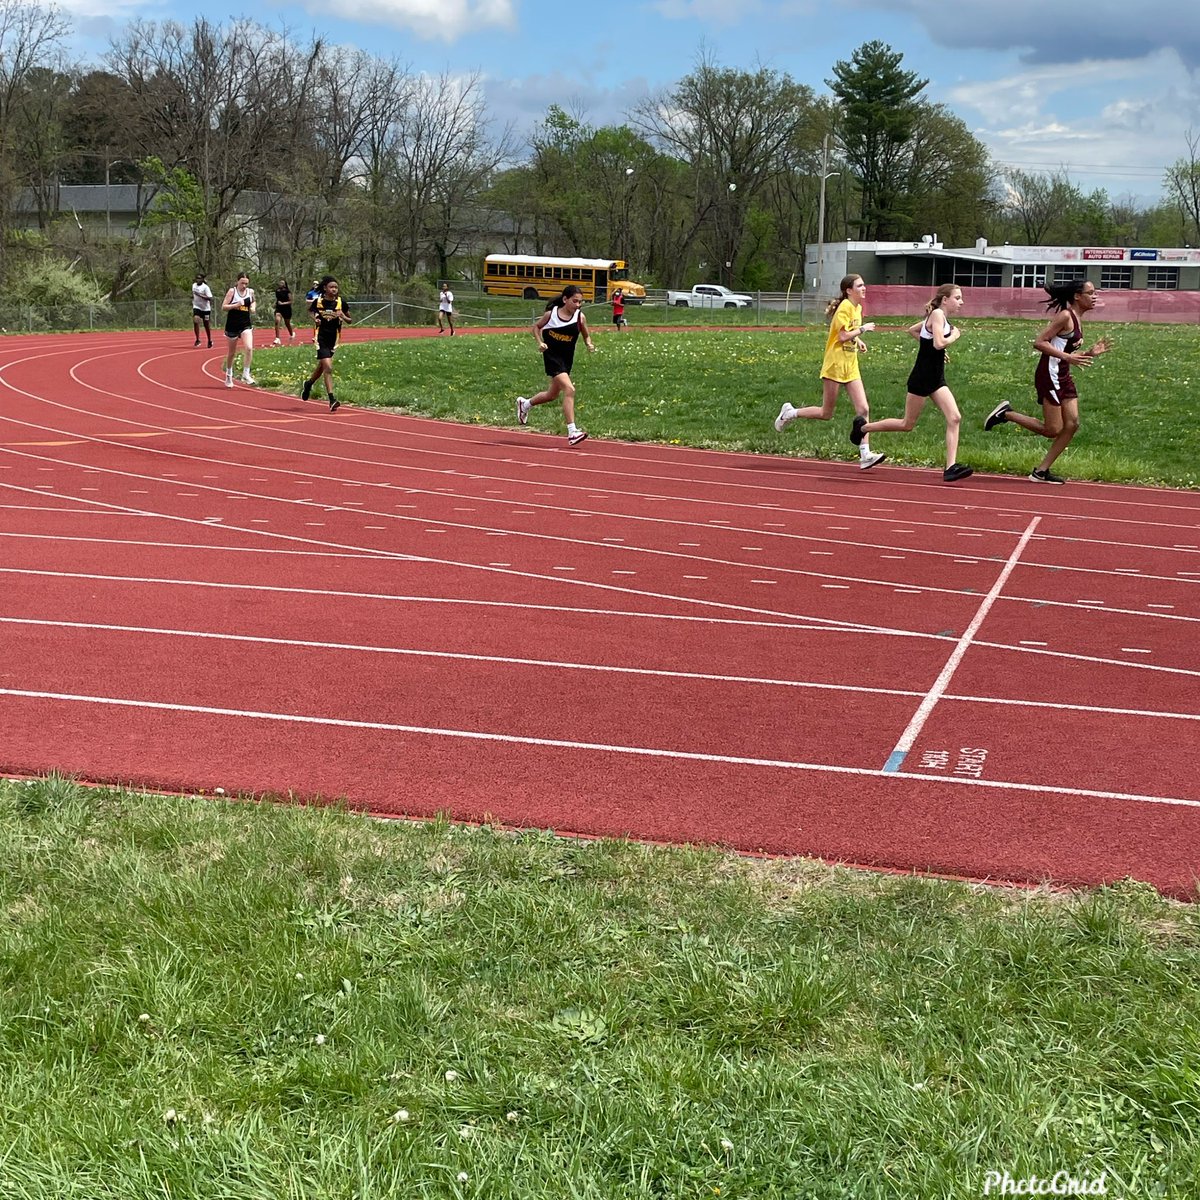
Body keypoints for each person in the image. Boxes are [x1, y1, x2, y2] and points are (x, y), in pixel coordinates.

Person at [983, 279, 1112, 484]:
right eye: (1091, 293)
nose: (1095, 297)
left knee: (1072, 424)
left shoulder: (1078, 317)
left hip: (1063, 374)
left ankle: (1041, 472)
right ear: (1077, 296)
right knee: (1052, 430)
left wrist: (1089, 354)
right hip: (1049, 374)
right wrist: (1068, 358)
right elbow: (1039, 342)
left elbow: (1064, 350)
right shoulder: (1065, 316)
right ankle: (1006, 414)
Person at [849, 284, 973, 483]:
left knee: (955, 417)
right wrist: (953, 337)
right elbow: (939, 343)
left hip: (936, 378)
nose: (961, 302)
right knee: (907, 424)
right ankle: (863, 428)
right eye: (957, 298)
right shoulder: (939, 315)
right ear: (945, 299)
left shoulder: (937, 316)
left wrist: (933, 348)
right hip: (922, 377)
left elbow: (913, 330)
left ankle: (950, 468)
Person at [774, 273, 885, 469]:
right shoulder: (844, 308)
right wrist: (863, 331)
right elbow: (842, 336)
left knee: (863, 409)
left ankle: (865, 454)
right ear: (848, 290)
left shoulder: (857, 308)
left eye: (863, 284)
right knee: (826, 413)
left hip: (850, 365)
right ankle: (790, 413)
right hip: (835, 364)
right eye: (859, 286)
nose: (863, 288)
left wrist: (858, 341)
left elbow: (849, 332)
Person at [515, 284, 595, 446]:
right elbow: (536, 327)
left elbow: (586, 335)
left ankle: (525, 404)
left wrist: (589, 344)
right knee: (570, 390)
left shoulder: (580, 318)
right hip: (552, 357)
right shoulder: (551, 315)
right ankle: (572, 431)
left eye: (580, 302)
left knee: (552, 395)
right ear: (565, 299)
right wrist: (540, 343)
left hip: (566, 360)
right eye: (575, 301)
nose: (578, 305)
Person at [301, 275, 352, 412]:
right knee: (328, 367)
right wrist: (315, 319)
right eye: (331, 287)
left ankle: (309, 384)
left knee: (322, 366)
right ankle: (332, 399)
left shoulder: (341, 303)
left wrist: (343, 316)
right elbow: (310, 312)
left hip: (333, 339)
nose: (334, 289)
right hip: (321, 337)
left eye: (336, 287)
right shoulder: (318, 302)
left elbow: (350, 320)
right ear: (325, 288)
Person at [220, 272, 256, 387]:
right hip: (232, 325)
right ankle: (229, 375)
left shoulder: (250, 292)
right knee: (231, 353)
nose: (244, 286)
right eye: (242, 283)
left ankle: (246, 374)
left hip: (245, 324)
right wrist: (235, 305)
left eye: (246, 283)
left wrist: (253, 307)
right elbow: (223, 307)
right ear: (237, 282)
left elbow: (253, 301)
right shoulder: (232, 291)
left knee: (249, 348)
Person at [191, 274, 213, 348]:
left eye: (199, 278)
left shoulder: (205, 287)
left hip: (205, 309)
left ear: (202, 279)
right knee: (195, 321)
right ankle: (197, 339)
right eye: (197, 278)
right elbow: (193, 295)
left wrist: (200, 295)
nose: (198, 280)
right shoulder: (193, 285)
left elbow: (210, 298)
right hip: (197, 306)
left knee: (206, 324)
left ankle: (209, 340)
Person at [273, 278, 295, 345]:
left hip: (286, 309)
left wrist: (283, 303)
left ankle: (291, 334)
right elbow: (278, 299)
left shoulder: (287, 292)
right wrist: (275, 303)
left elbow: (291, 301)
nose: (280, 284)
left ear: (285, 284)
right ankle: (277, 338)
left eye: (282, 283)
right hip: (279, 308)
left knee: (287, 323)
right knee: (277, 321)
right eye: (280, 283)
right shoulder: (277, 291)